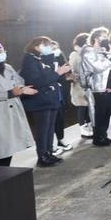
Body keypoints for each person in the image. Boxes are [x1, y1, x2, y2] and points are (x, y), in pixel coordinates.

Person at [20, 36, 72, 167]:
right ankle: (42, 156)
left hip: (49, 99)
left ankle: (49, 152)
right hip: (40, 100)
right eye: (46, 45)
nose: (49, 48)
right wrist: (58, 72)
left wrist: (57, 68)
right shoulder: (29, 60)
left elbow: (48, 74)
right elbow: (35, 81)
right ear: (37, 46)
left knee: (49, 128)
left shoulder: (39, 58)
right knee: (42, 130)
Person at [81, 27, 111, 146]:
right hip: (98, 86)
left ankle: (104, 135)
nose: (106, 39)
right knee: (100, 113)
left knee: (108, 112)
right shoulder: (88, 51)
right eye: (104, 36)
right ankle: (98, 138)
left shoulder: (105, 50)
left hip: (110, 85)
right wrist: (110, 58)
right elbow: (97, 67)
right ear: (96, 38)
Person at [48, 41, 73, 155]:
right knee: (50, 122)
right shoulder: (44, 64)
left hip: (60, 94)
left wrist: (67, 77)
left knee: (60, 118)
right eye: (52, 49)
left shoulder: (59, 60)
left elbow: (63, 75)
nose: (55, 51)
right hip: (49, 96)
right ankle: (50, 145)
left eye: (56, 48)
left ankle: (61, 140)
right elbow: (49, 78)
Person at [69, 33, 92, 139]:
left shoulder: (88, 53)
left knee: (88, 107)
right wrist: (77, 76)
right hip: (78, 85)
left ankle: (88, 125)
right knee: (82, 107)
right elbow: (73, 70)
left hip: (88, 84)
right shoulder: (75, 54)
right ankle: (82, 128)